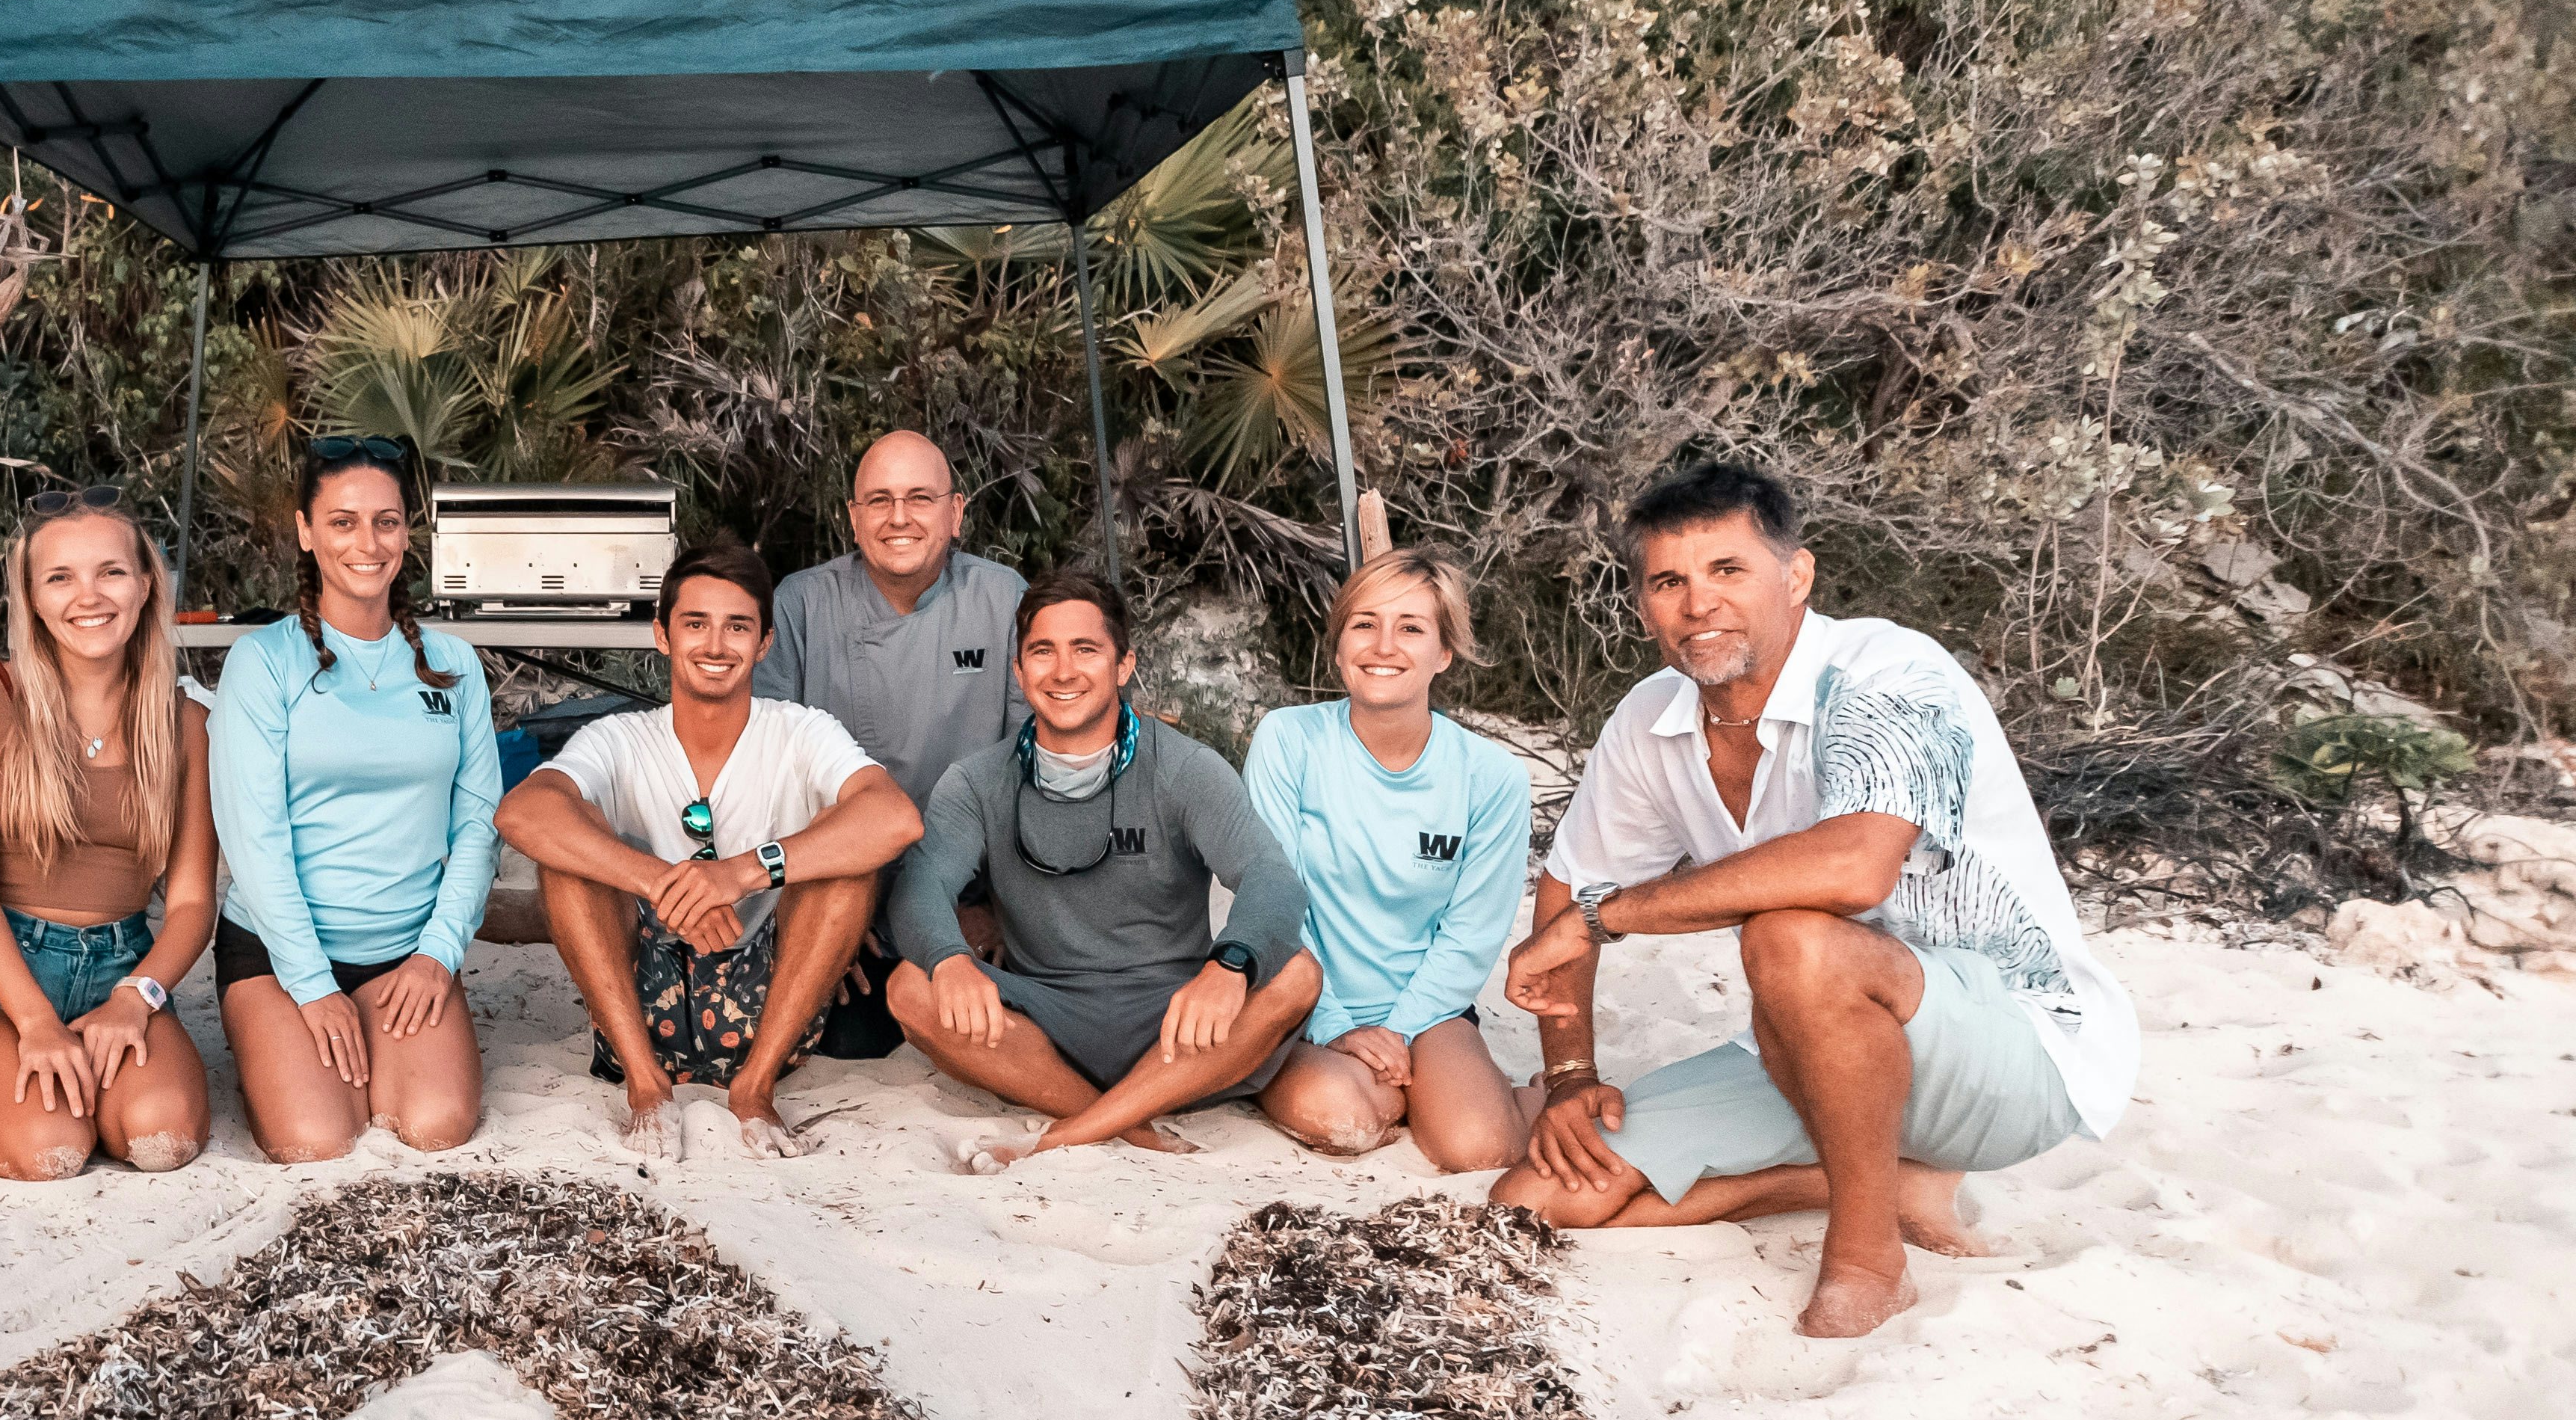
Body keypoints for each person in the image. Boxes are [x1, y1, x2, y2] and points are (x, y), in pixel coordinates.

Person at [1489, 462, 2141, 1338]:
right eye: (1668, 581)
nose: (1698, 604)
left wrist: (1617, 915)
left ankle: (1869, 1258)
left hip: (2016, 1050)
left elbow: (1856, 868)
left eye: (1729, 571)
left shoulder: (1887, 672)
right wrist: (1570, 1074)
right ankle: (1888, 1181)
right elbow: (1573, 883)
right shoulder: (1651, 720)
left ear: (1796, 577)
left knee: (1791, 937)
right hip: (1815, 1048)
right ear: (1643, 604)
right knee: (1544, 1196)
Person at [494, 542, 921, 1159]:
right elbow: (521, 812)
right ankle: (647, 1091)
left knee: (845, 852)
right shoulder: (619, 738)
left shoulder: (800, 730)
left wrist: (741, 874)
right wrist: (663, 881)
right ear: (663, 636)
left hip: (769, 1000)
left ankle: (755, 1090)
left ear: (765, 642)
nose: (716, 645)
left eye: (737, 626)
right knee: (569, 842)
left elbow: (895, 817)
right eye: (695, 624)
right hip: (642, 1003)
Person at [884, 568, 1321, 1168]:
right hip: (1045, 1019)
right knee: (911, 987)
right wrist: (950, 959)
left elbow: (1272, 878)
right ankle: (1129, 1124)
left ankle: (1070, 1131)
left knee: (1297, 973)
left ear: (1123, 665)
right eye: (1043, 651)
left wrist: (1231, 964)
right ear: (1019, 672)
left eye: (1085, 649)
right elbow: (920, 884)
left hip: (1176, 1021)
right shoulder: (978, 780)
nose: (1063, 671)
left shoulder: (1187, 767)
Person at [0, 489, 219, 1179]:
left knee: (161, 1140)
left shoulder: (186, 725)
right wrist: (37, 1022)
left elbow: (193, 902)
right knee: (52, 1149)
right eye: (60, 577)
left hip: (123, 969)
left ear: (145, 586)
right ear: (32, 598)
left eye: (110, 572)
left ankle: (98, 1079)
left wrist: (137, 999)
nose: (89, 596)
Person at [206, 434, 501, 1162]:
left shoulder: (453, 665)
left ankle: (376, 1034)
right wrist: (309, 985)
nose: (367, 543)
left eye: (387, 521)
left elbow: (479, 828)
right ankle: (272, 1059)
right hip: (279, 956)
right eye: (342, 521)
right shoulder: (263, 662)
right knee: (317, 1139)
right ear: (306, 533)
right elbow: (254, 839)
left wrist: (438, 953)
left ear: (407, 532)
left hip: (407, 953)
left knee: (436, 1126)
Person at [1245, 547, 1541, 1172]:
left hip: (1428, 1010)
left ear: (1444, 653)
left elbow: (1471, 935)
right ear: (1338, 646)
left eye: (1411, 628)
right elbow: (1273, 901)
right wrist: (1336, 1025)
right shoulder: (1288, 740)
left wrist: (1401, 1033)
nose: (1384, 645)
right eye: (1364, 624)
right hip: (1303, 1001)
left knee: (1482, 1150)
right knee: (1341, 1119)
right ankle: (1405, 1090)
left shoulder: (1492, 777)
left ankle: (1517, 1094)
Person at [755, 428, 1026, 1051]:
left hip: (968, 895)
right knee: (852, 1038)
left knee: (999, 1026)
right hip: (846, 890)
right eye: (878, 501)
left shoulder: (1002, 599)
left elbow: (1032, 769)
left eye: (919, 499)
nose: (898, 518)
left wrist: (1003, 912)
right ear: (854, 519)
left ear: (955, 513)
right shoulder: (801, 605)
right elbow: (765, 772)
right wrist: (814, 919)